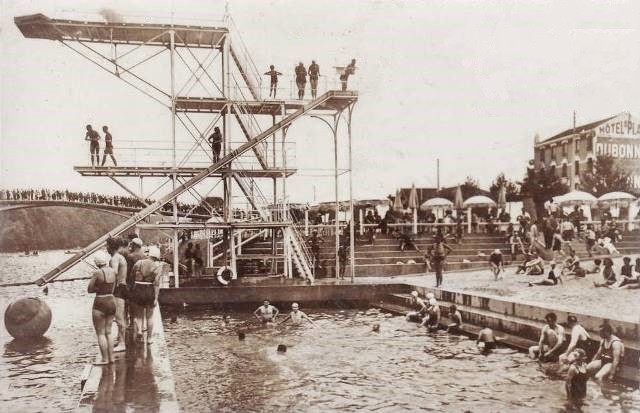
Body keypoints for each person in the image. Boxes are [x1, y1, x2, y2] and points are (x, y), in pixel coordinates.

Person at [130, 246, 164, 344]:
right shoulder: (157, 267)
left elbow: (132, 277)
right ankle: (149, 339)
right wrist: (156, 298)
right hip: (149, 289)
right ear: (156, 257)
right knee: (149, 317)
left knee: (139, 315)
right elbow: (157, 283)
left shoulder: (138, 263)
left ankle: (140, 331)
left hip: (138, 288)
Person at [88, 251, 117, 365]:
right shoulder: (113, 271)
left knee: (100, 333)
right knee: (109, 332)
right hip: (111, 300)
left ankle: (105, 359)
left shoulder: (97, 273)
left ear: (96, 262)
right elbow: (112, 289)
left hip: (100, 301)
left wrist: (98, 287)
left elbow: (89, 289)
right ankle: (112, 358)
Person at [107, 237, 128, 353]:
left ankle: (122, 343)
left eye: (107, 246)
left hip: (118, 289)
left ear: (110, 247)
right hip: (123, 287)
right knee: (122, 316)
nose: (106, 248)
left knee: (119, 317)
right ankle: (121, 339)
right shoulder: (121, 257)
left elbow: (114, 273)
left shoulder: (115, 258)